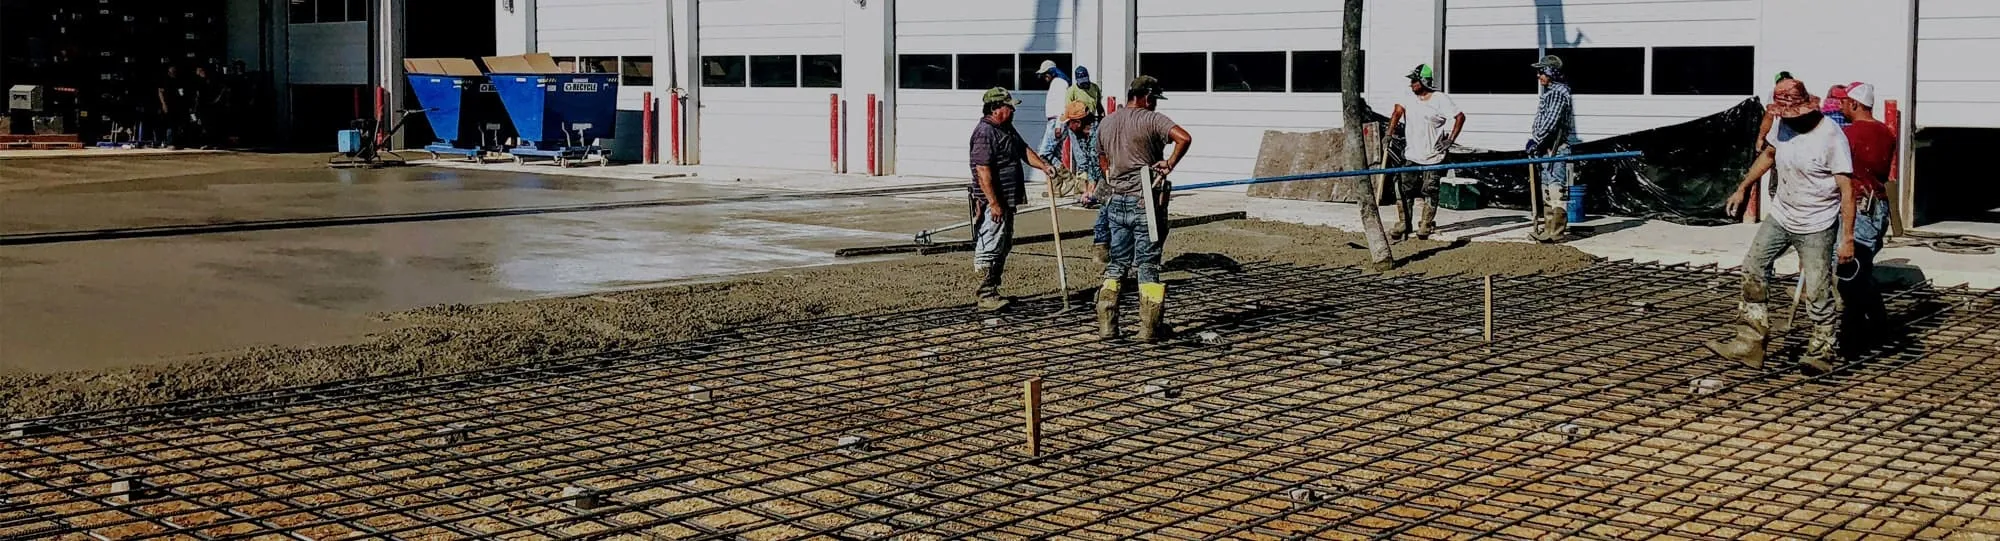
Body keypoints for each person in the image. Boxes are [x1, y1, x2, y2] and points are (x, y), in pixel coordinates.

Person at [1714, 78, 1858, 377]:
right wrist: (1743, 187)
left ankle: (1821, 352)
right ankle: (1749, 342)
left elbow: (1847, 190)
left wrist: (1847, 238)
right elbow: (1769, 155)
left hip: (1817, 222)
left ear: (1808, 108)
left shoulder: (1831, 136)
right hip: (1782, 215)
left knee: (1818, 288)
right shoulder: (1783, 125)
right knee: (1753, 267)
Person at [1095, 76, 1192, 343]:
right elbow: (1184, 138)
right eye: (1154, 100)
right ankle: (1149, 329)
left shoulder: (1107, 122)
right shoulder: (1152, 119)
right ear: (1147, 97)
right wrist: (1169, 162)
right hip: (1144, 202)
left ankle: (1107, 327)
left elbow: (1101, 157)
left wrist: (1112, 176)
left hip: (1115, 201)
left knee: (1117, 264)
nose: (1153, 105)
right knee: (1147, 266)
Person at [969, 87, 1059, 311]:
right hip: (994, 203)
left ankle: (992, 289)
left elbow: (1023, 150)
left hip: (1007, 200)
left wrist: (1044, 166)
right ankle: (985, 294)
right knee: (990, 245)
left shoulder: (1006, 128)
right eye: (1008, 107)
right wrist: (994, 202)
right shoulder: (984, 133)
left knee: (1003, 244)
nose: (1012, 110)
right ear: (995, 109)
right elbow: (983, 171)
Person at [1834, 82, 1894, 350]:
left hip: (1860, 209)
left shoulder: (1848, 134)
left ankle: (1852, 338)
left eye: (1844, 102)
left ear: (1855, 104)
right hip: (1878, 206)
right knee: (1862, 271)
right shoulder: (1886, 132)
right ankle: (1880, 326)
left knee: (1852, 274)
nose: (1840, 106)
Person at [1384, 64, 1464, 241]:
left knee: (1430, 190)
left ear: (1423, 81)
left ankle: (1426, 224)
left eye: (1414, 80)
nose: (1411, 84)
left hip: (1433, 156)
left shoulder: (1440, 99)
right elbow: (1397, 112)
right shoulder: (1408, 97)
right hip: (1411, 154)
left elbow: (1460, 117)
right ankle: (1404, 223)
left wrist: (1450, 139)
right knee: (1404, 190)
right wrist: (1389, 133)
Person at [1525, 55, 1579, 242]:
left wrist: (1536, 140)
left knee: (1556, 191)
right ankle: (1548, 230)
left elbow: (1550, 123)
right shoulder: (1550, 93)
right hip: (1546, 150)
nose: (1539, 75)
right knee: (1547, 189)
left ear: (1551, 72)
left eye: (1542, 71)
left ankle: (1555, 232)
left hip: (1556, 149)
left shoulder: (1557, 93)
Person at [1033, 60, 1071, 165]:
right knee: (1056, 154)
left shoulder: (1059, 83)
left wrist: (1059, 125)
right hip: (1056, 122)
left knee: (1044, 154)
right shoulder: (1057, 83)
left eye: (1045, 74)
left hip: (1056, 122)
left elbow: (1063, 105)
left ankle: (1066, 177)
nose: (1044, 77)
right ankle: (1060, 179)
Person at [156, 66, 195, 149]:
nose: (173, 74)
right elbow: (160, 92)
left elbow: (181, 92)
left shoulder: (178, 81)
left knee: (176, 124)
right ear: (169, 73)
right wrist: (163, 104)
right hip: (168, 105)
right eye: (172, 72)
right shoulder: (165, 80)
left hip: (177, 105)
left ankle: (175, 141)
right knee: (169, 124)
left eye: (174, 72)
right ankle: (168, 142)